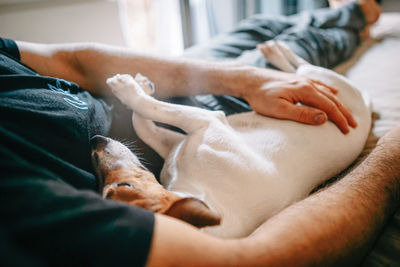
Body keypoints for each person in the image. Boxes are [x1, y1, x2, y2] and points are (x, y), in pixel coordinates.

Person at [1, 0, 398, 266]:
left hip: (140, 94)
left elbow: (70, 60)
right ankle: (355, 18)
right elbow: (257, 260)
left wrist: (243, 79)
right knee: (298, 46)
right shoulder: (21, 204)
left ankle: (330, 19)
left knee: (256, 30)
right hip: (185, 124)